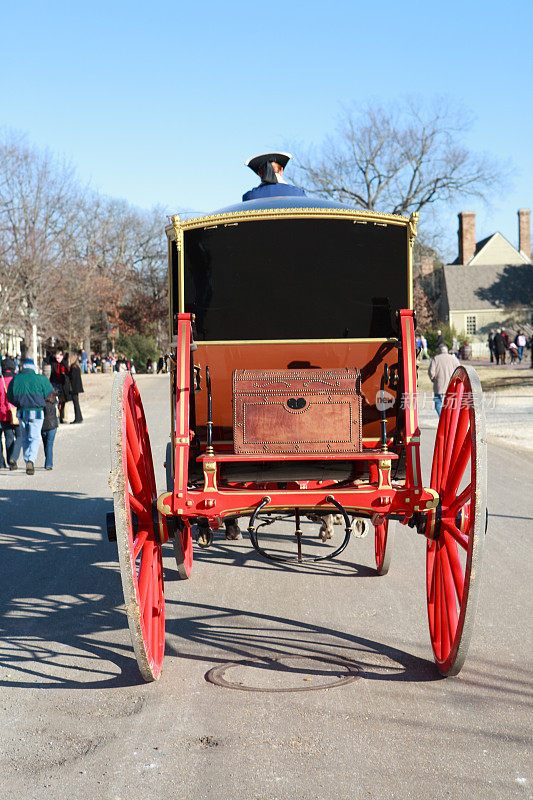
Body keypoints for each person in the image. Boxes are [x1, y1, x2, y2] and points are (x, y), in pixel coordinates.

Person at [6, 357, 54, 474]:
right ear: (33, 368)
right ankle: (31, 460)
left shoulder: (16, 379)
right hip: (37, 412)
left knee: (25, 437)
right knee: (35, 437)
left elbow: (9, 397)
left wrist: (18, 403)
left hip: (21, 412)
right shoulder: (41, 379)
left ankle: (28, 459)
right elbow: (49, 393)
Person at [0, 364, 23, 469]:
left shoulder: (1, 381)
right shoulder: (17, 380)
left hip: (3, 413)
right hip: (16, 412)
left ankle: (6, 463)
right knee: (19, 436)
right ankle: (13, 459)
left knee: (8, 437)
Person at [428, 344, 460, 416]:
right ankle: (449, 421)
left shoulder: (436, 359)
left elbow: (431, 372)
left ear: (439, 350)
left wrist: (433, 379)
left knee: (438, 404)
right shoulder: (454, 359)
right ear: (447, 350)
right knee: (451, 405)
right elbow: (459, 371)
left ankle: (442, 419)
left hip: (439, 385)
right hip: (452, 386)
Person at [50, 350, 71, 422]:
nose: (57, 360)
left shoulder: (64, 362)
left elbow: (67, 371)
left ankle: (65, 417)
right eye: (56, 358)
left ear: (62, 357)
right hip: (56, 383)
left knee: (65, 401)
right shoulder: (54, 363)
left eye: (58, 358)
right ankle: (59, 416)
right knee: (57, 400)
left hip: (64, 384)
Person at [41, 390, 58, 469]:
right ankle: (49, 463)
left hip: (43, 426)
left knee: (46, 444)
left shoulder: (41, 403)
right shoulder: (54, 402)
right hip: (53, 425)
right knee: (50, 444)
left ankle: (48, 461)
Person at [68, 353, 84, 423]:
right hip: (77, 387)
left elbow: (72, 378)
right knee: (76, 403)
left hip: (74, 388)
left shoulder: (73, 368)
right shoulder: (77, 367)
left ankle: (78, 418)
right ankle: (79, 417)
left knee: (76, 403)